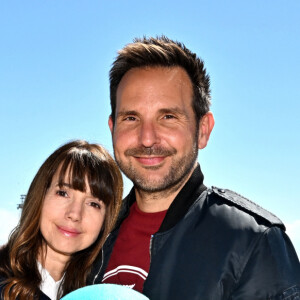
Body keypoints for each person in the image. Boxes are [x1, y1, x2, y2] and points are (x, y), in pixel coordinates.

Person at [87, 36, 300, 299]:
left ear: (202, 130)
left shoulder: (254, 242)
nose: (147, 138)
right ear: (113, 128)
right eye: (131, 118)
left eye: (168, 117)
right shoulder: (91, 235)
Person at [0, 140, 123, 300]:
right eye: (63, 193)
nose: (74, 214)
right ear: (40, 196)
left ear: (106, 220)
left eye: (93, 204)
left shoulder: (98, 292)